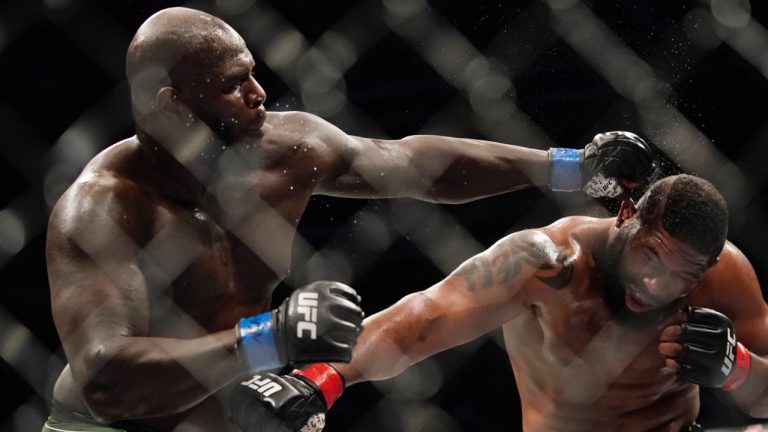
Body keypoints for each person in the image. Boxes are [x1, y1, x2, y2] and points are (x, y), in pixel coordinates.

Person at [43, 6, 655, 432]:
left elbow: (412, 162)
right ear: (172, 103)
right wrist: (268, 340)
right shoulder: (103, 210)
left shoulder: (283, 149)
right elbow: (105, 378)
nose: (259, 93)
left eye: (253, 72)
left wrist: (570, 167)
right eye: (234, 85)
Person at [238, 174, 768, 432]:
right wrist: (323, 378)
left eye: (681, 277)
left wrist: (738, 369)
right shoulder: (546, 262)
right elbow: (423, 317)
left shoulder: (724, 278)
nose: (657, 285)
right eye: (651, 258)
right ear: (627, 214)